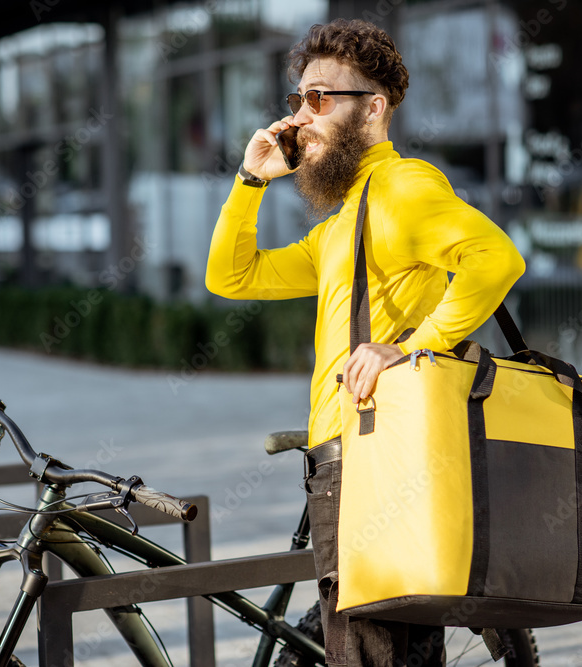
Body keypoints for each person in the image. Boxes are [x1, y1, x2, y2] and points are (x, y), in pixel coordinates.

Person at [205, 19, 525, 666]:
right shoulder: (343, 221)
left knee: (374, 651)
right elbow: (230, 275)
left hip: (374, 461)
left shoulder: (402, 188)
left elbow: (496, 257)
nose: (301, 117)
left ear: (373, 109)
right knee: (390, 648)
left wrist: (409, 348)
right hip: (347, 460)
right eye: (297, 99)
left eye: (321, 98)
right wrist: (250, 182)